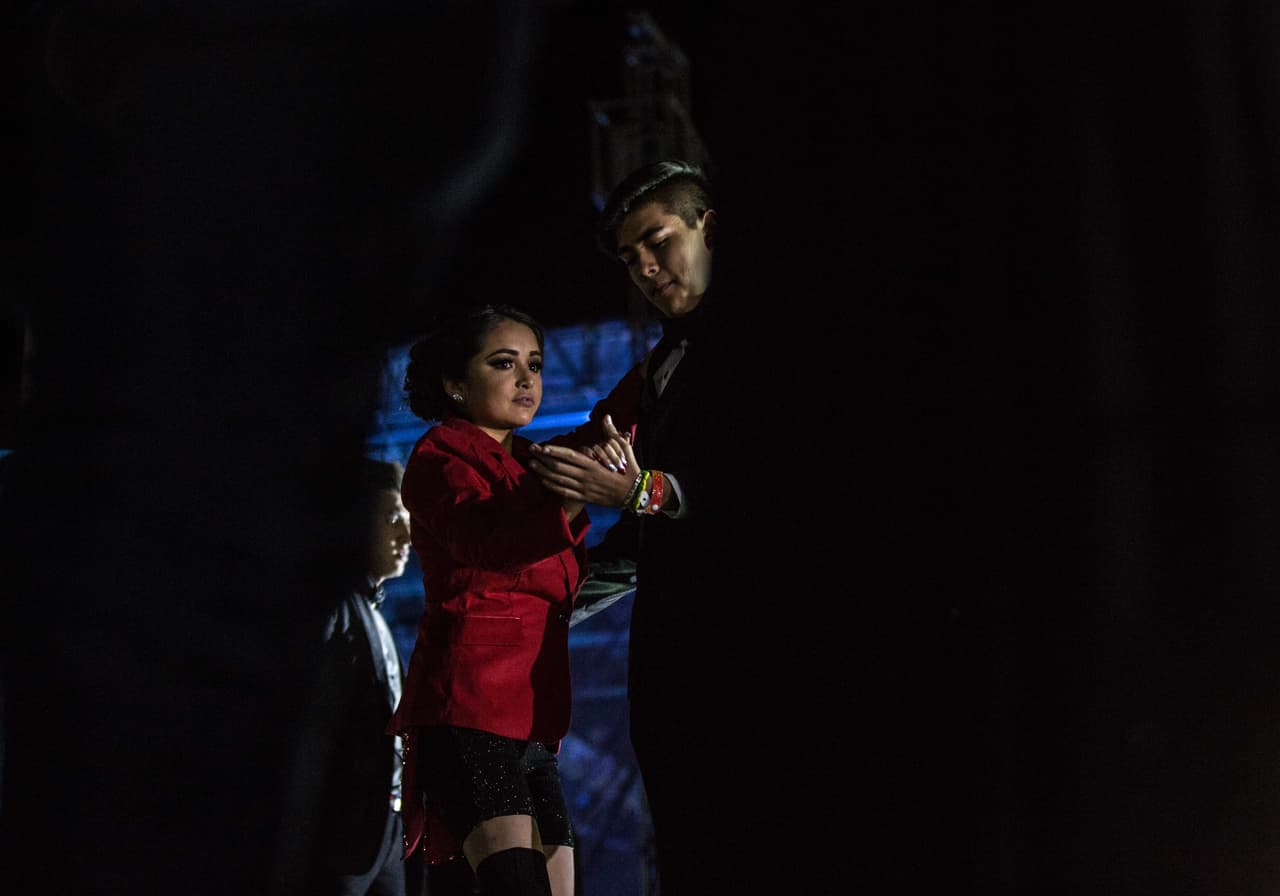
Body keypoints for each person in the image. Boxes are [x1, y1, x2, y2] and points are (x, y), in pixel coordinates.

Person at [526, 160, 775, 893]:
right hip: (673, 670)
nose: (646, 268)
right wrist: (539, 605)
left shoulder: (763, 348)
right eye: (631, 259)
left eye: (659, 242)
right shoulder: (662, 364)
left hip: (753, 658)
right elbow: (641, 543)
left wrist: (641, 489)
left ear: (709, 229)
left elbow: (765, 490)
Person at [388, 303, 610, 896]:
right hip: (469, 711)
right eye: (504, 363)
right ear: (455, 384)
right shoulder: (440, 458)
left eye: (534, 364)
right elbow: (492, 544)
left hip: (534, 720)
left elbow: (608, 427)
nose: (526, 379)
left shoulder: (533, 463)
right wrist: (573, 496)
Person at [281, 457, 423, 896]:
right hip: (343, 826)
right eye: (393, 519)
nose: (407, 537)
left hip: (382, 828)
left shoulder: (372, 613)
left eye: (408, 522)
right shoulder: (334, 606)